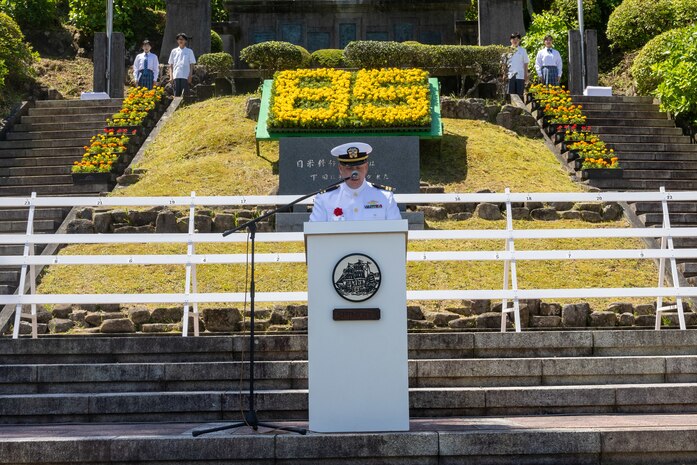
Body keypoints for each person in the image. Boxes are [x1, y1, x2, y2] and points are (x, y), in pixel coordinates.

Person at [309, 142, 402, 222]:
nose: (355, 173)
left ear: (366, 167)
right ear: (340, 169)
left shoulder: (385, 197)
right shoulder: (324, 198)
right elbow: (313, 234)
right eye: (349, 168)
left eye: (358, 168)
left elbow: (397, 232)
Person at [168, 32, 196, 97]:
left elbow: (191, 64)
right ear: (177, 41)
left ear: (185, 41)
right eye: (179, 39)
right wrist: (171, 77)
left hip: (185, 76)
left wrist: (190, 76)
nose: (181, 40)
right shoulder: (173, 51)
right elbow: (170, 64)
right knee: (176, 95)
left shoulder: (189, 51)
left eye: (182, 39)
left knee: (185, 95)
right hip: (176, 75)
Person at [506, 32, 529, 98]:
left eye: (517, 39)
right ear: (510, 40)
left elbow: (526, 63)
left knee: (520, 95)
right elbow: (504, 63)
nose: (515, 41)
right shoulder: (507, 50)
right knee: (510, 95)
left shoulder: (523, 50)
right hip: (510, 75)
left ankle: (520, 108)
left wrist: (526, 74)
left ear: (519, 40)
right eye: (513, 39)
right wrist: (504, 74)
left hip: (520, 75)